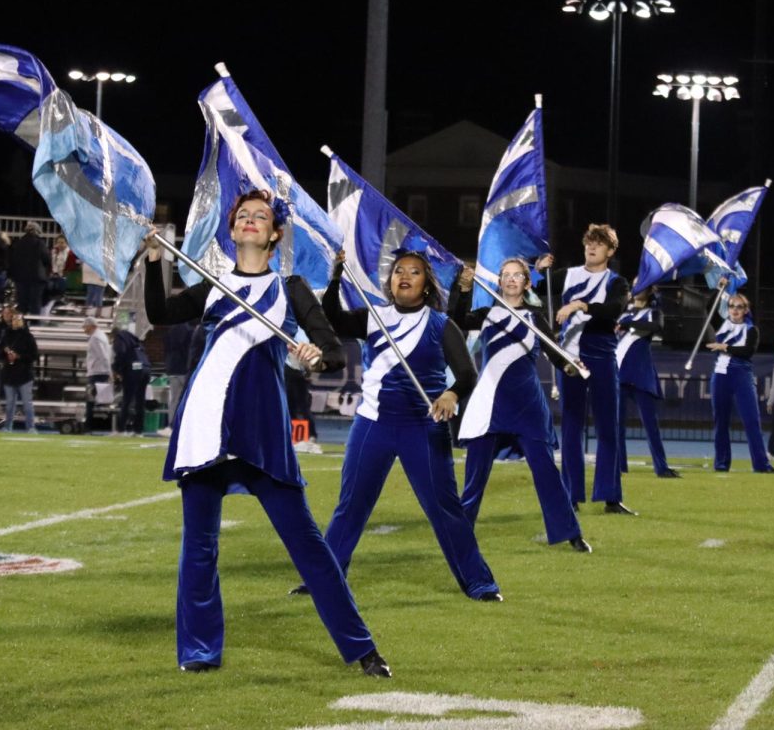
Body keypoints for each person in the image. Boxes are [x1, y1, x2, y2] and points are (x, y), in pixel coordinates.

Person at [143, 188, 390, 677]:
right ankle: (199, 653)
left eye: (261, 216)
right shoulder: (214, 285)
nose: (251, 221)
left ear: (275, 234)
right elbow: (159, 313)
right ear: (233, 230)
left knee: (308, 546)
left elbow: (334, 349)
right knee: (199, 546)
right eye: (243, 216)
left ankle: (361, 648)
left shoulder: (291, 288)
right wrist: (154, 259)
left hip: (263, 431)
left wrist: (317, 356)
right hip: (205, 425)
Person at [296, 246, 502, 601]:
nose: (404, 276)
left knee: (445, 509)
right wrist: (335, 277)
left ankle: (479, 583)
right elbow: (330, 319)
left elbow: (467, 374)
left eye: (414, 272)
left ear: (425, 285)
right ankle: (325, 579)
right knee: (351, 506)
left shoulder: (441, 324)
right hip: (372, 424)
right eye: (398, 271)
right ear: (390, 282)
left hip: (423, 427)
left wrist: (452, 394)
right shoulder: (372, 316)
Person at [448, 256, 590, 552]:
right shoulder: (487, 313)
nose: (511, 279)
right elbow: (455, 319)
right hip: (490, 403)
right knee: (475, 476)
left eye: (517, 275)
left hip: (528, 404)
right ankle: (461, 533)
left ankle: (570, 532)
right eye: (506, 275)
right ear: (499, 282)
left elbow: (555, 355)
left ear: (526, 283)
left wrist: (570, 366)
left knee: (546, 471)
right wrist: (461, 289)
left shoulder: (536, 318)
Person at [546, 224, 635, 514]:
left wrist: (578, 306)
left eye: (599, 244)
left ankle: (610, 497)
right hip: (571, 357)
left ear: (610, 251)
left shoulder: (617, 282)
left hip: (601, 354)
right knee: (571, 425)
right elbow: (534, 288)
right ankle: (570, 495)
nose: (592, 248)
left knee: (608, 425)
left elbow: (613, 310)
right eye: (588, 243)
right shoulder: (567, 275)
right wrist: (538, 270)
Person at [706, 292, 774, 473]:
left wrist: (725, 347)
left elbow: (747, 351)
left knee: (751, 421)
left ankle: (761, 465)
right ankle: (721, 464)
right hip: (720, 375)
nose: (734, 310)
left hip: (741, 375)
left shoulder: (752, 329)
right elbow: (709, 306)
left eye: (739, 307)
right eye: (731, 306)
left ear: (746, 310)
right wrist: (720, 288)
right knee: (720, 422)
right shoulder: (722, 325)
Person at [617, 286, 680, 478]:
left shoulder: (653, 312)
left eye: (644, 284)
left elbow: (656, 327)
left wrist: (629, 323)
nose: (638, 288)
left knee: (650, 425)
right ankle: (619, 467)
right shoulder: (624, 310)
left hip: (641, 375)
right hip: (619, 373)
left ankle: (661, 467)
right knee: (616, 425)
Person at [0, 311, 38, 432]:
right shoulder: (6, 336)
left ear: (23, 321)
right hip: (9, 374)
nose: (15, 321)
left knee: (27, 403)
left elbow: (34, 355)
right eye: (14, 319)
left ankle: (31, 427)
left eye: (18, 319)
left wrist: (19, 356)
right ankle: (7, 426)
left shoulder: (28, 337)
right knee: (10, 404)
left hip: (24, 374)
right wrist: (6, 355)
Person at [111, 324, 150, 435]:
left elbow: (121, 353)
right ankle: (138, 430)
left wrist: (116, 369)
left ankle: (121, 429)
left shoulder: (120, 338)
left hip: (133, 370)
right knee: (140, 402)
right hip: (145, 368)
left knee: (127, 400)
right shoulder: (135, 341)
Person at [8, 221, 51, 316]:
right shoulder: (40, 243)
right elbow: (46, 259)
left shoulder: (18, 243)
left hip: (20, 278)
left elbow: (12, 260)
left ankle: (21, 324)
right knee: (35, 303)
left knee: (22, 303)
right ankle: (35, 324)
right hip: (37, 278)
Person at [82, 316, 113, 429]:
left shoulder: (95, 338)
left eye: (85, 327)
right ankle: (98, 425)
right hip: (101, 371)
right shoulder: (102, 336)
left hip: (97, 373)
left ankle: (89, 426)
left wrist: (110, 372)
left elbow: (103, 356)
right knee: (100, 401)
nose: (84, 329)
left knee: (91, 400)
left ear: (91, 326)